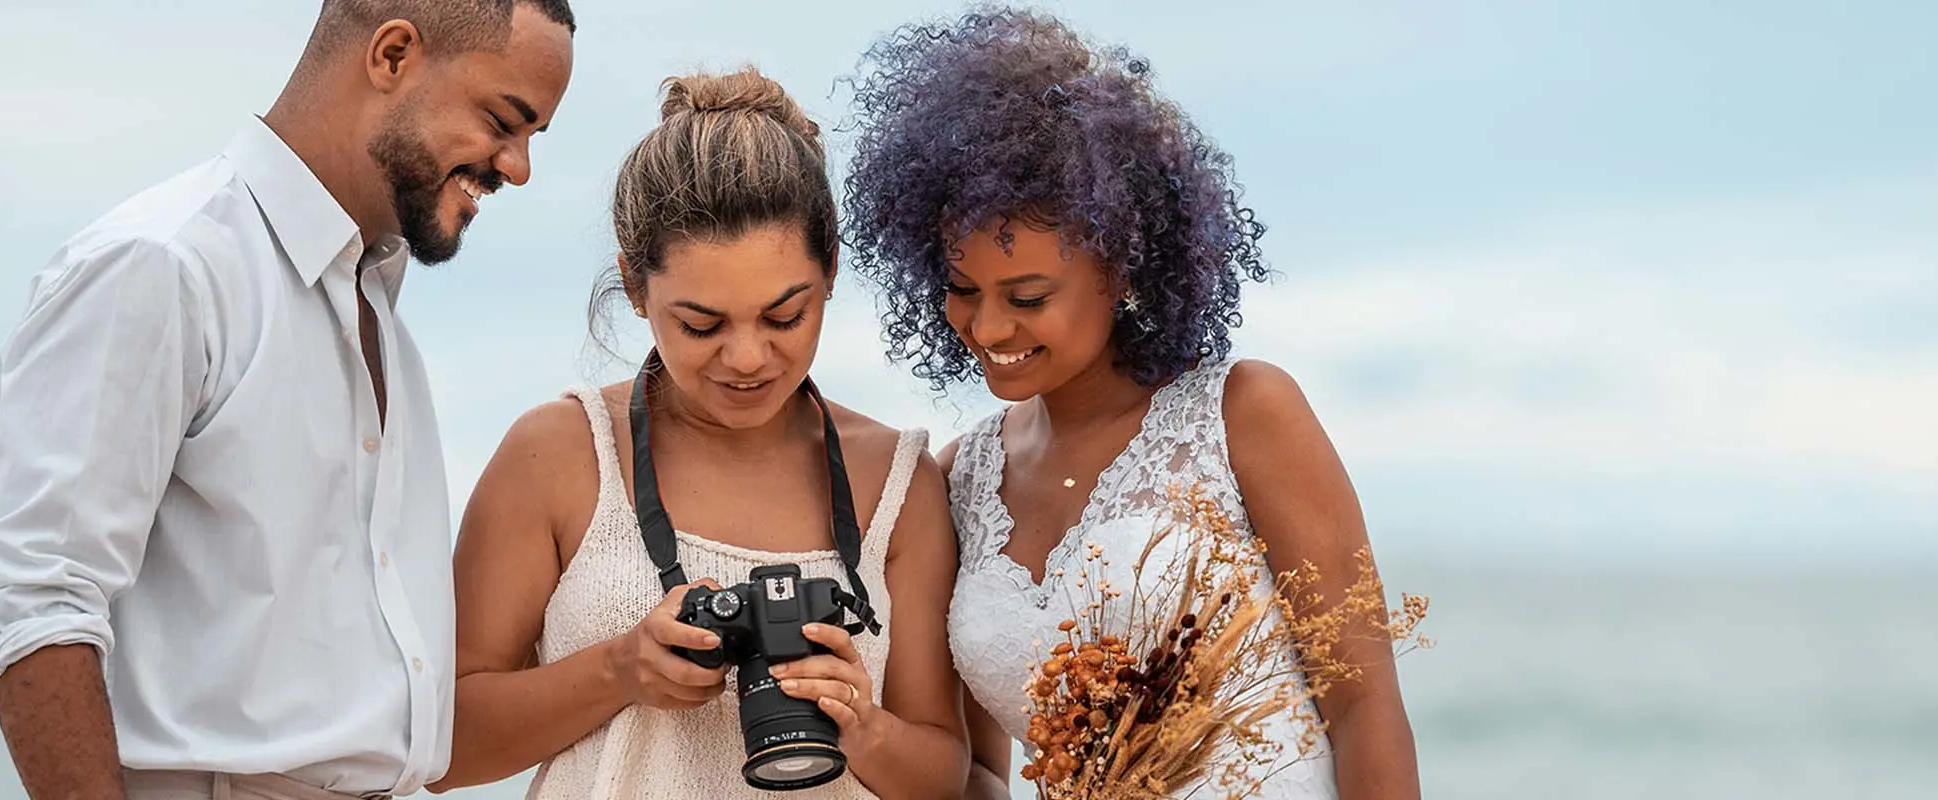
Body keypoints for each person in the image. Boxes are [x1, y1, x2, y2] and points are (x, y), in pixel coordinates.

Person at [0, 2, 574, 798]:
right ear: (392, 56)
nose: (516, 167)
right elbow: (31, 608)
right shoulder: (163, 267)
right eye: (502, 121)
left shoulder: (374, 308)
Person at [841, 8, 1421, 798]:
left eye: (1028, 295)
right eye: (962, 290)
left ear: (1122, 268)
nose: (988, 326)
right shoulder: (958, 483)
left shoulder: (1244, 416)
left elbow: (1363, 706)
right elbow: (981, 776)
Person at [430, 69, 968, 799]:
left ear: (832, 271)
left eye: (785, 316)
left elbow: (944, 774)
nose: (746, 358)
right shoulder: (556, 453)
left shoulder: (898, 480)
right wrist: (621, 668)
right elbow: (443, 748)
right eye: (701, 324)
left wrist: (860, 721)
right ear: (633, 285)